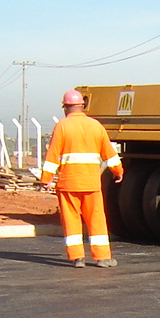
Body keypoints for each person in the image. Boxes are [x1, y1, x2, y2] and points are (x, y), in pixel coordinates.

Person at [39, 89, 123, 267]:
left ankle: (77, 258)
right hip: (91, 183)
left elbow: (53, 155)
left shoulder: (62, 126)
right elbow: (110, 154)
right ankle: (102, 258)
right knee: (96, 220)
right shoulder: (96, 126)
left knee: (71, 221)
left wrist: (46, 179)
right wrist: (118, 171)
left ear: (65, 108)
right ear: (82, 106)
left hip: (68, 184)